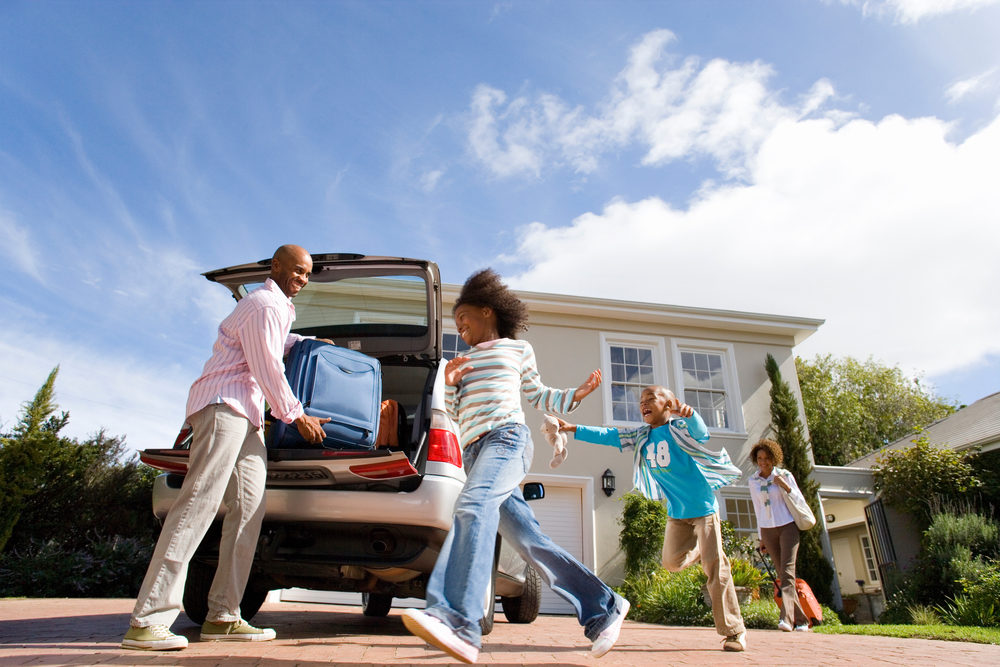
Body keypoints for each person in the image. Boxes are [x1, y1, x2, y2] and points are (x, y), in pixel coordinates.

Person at [401, 269, 630, 664]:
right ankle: (603, 605)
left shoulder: (516, 350)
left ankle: (457, 621)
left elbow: (539, 395)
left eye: (464, 319)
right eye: (457, 326)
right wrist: (451, 383)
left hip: (507, 440)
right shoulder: (462, 362)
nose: (461, 329)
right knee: (530, 543)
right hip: (475, 452)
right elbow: (457, 418)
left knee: (472, 508)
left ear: (488, 310)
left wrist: (576, 394)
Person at [121, 245, 330, 651]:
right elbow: (266, 363)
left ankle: (224, 615)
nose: (302, 279)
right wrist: (296, 415)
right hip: (223, 406)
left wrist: (306, 340)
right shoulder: (264, 303)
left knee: (250, 508)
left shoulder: (275, 310)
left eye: (307, 274)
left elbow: (276, 343)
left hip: (247, 416)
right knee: (199, 501)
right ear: (276, 266)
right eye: (296, 271)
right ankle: (147, 620)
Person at [555, 385, 749, 652]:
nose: (643, 404)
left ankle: (733, 632)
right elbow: (610, 436)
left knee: (715, 570)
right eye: (641, 401)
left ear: (668, 405)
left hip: (703, 509)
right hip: (678, 513)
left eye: (650, 399)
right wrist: (574, 429)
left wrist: (691, 415)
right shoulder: (640, 435)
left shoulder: (679, 427)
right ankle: (702, 553)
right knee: (670, 562)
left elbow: (701, 434)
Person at [748, 438, 811, 632]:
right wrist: (761, 537)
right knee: (781, 574)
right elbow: (757, 509)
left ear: (774, 458)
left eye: (767, 458)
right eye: (759, 458)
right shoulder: (753, 481)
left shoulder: (784, 475)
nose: (763, 462)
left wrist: (785, 486)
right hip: (768, 530)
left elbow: (798, 499)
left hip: (787, 526)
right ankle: (801, 620)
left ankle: (785, 619)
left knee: (787, 572)